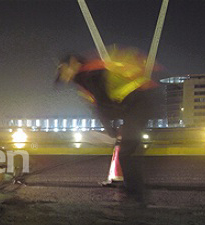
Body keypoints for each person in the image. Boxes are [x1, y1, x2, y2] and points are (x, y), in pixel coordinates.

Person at [56, 48, 163, 205]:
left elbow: (102, 104)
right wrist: (112, 126)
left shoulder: (89, 74)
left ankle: (136, 196)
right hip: (137, 104)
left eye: (63, 71)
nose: (64, 78)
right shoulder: (88, 74)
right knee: (127, 150)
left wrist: (109, 129)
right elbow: (104, 104)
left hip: (141, 103)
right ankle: (133, 191)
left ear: (73, 63)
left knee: (127, 151)